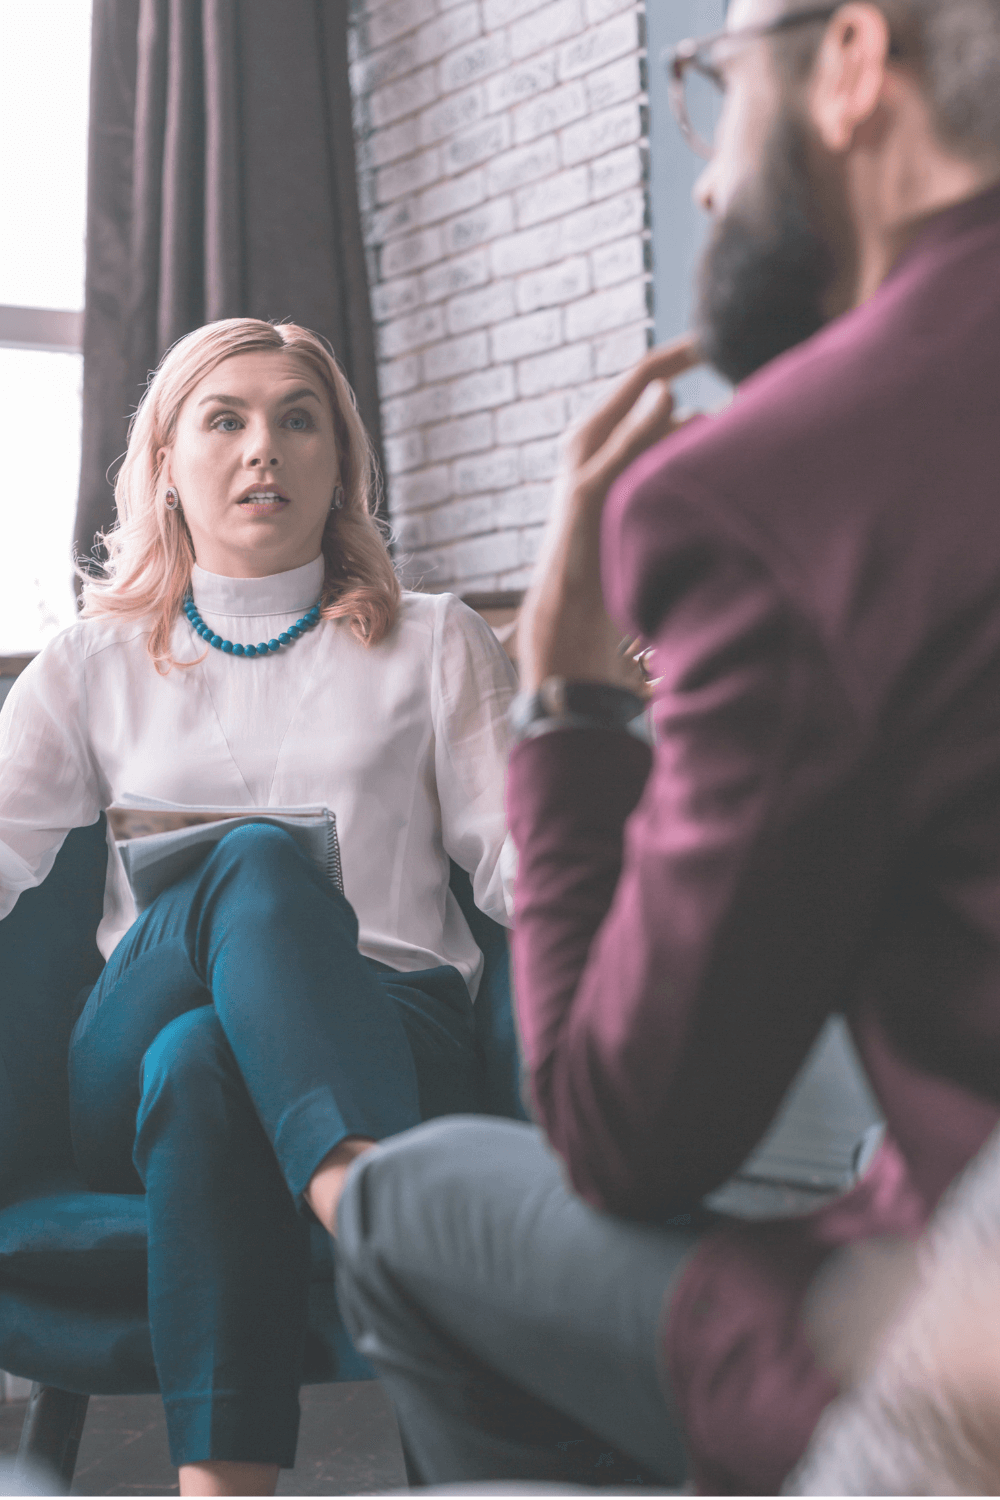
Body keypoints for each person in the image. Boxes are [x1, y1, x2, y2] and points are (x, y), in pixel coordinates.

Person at [332, 0, 1000, 1492]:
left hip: (936, 1348)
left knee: (402, 1204)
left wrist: (567, 701)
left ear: (849, 61)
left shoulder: (775, 492)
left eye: (712, 88)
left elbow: (627, 1137)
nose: (703, 181)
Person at [0, 317, 516, 1497]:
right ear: (166, 463)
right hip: (116, 1070)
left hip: (396, 1032)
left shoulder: (436, 644)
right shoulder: (94, 660)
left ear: (341, 460)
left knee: (204, 1061)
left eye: (298, 419)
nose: (262, 448)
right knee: (252, 869)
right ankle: (363, 1203)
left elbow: (526, 873)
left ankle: (222, 1489)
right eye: (222, 420)